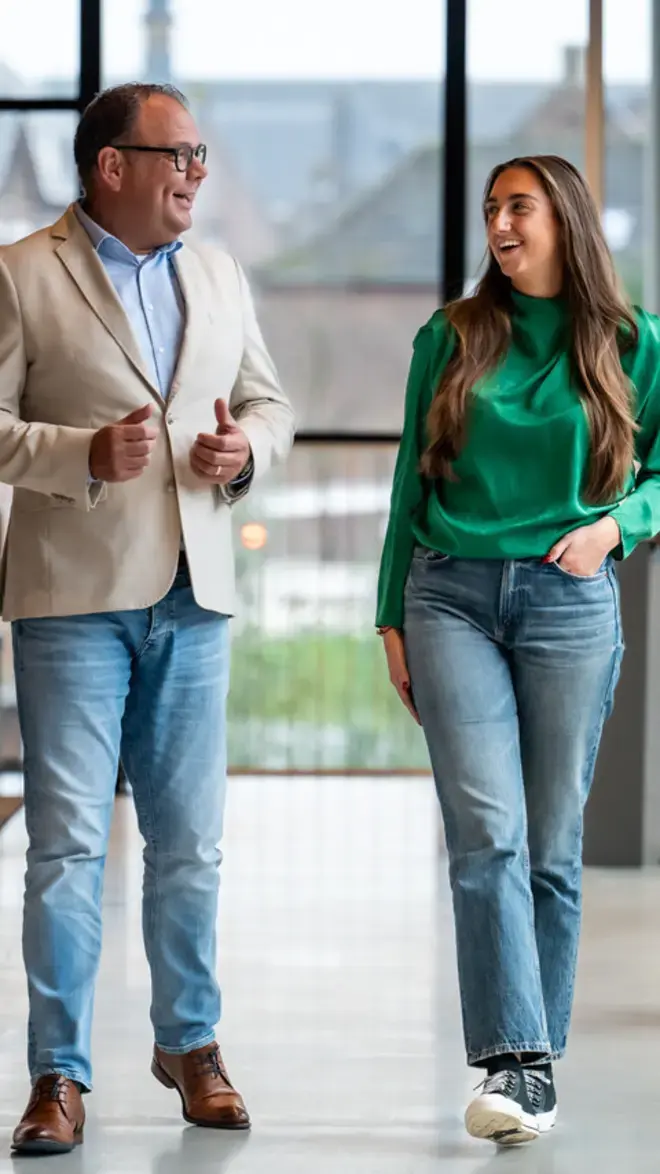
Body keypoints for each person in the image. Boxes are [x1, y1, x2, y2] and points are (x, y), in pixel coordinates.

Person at [0, 82, 294, 1156]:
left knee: (190, 848)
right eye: (178, 154)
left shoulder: (215, 272)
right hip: (72, 599)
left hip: (195, 594)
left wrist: (245, 452)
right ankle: (58, 1074)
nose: (196, 173)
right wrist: (78, 452)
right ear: (109, 166)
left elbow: (272, 404)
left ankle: (192, 1045)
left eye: (201, 154)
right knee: (68, 845)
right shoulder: (23, 271)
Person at [376, 154, 660, 1147]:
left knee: (550, 844)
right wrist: (390, 617)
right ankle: (518, 1061)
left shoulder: (634, 343)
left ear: (565, 220)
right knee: (486, 833)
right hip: (448, 594)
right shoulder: (450, 338)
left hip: (571, 601)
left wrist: (616, 527)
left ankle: (531, 1058)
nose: (499, 223)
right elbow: (411, 478)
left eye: (519, 207)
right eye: (492, 209)